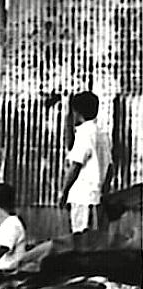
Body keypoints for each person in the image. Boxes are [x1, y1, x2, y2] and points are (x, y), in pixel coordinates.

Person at [59, 90, 105, 235]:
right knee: (94, 239)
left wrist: (64, 192)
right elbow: (110, 168)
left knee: (79, 238)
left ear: (77, 112)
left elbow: (75, 166)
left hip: (81, 197)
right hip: (96, 196)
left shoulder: (84, 133)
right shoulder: (102, 135)